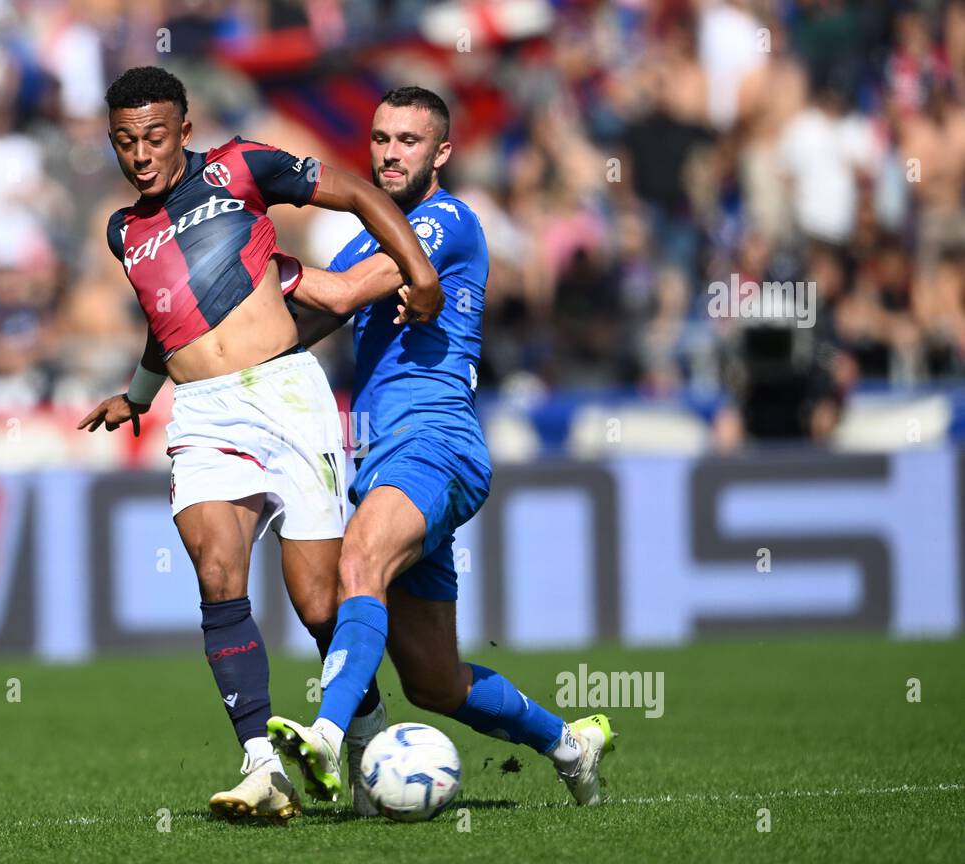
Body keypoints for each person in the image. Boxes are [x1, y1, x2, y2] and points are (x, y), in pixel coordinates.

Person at [77, 67, 443, 822]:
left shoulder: (242, 167)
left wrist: (419, 270)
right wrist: (138, 396)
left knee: (316, 603)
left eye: (153, 137)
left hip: (287, 395)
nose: (140, 155)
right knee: (217, 571)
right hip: (203, 415)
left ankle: (364, 734)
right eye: (124, 142)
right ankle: (261, 765)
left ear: (183, 129)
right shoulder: (124, 231)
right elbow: (167, 315)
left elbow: (363, 195)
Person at [273, 87, 617, 810]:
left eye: (407, 141)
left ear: (442, 153)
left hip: (435, 442)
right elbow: (299, 329)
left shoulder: (445, 221)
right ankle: (570, 745)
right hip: (388, 456)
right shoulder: (368, 239)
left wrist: (246, 260)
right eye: (380, 139)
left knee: (357, 562)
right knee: (433, 681)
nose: (389, 153)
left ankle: (331, 740)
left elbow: (337, 298)